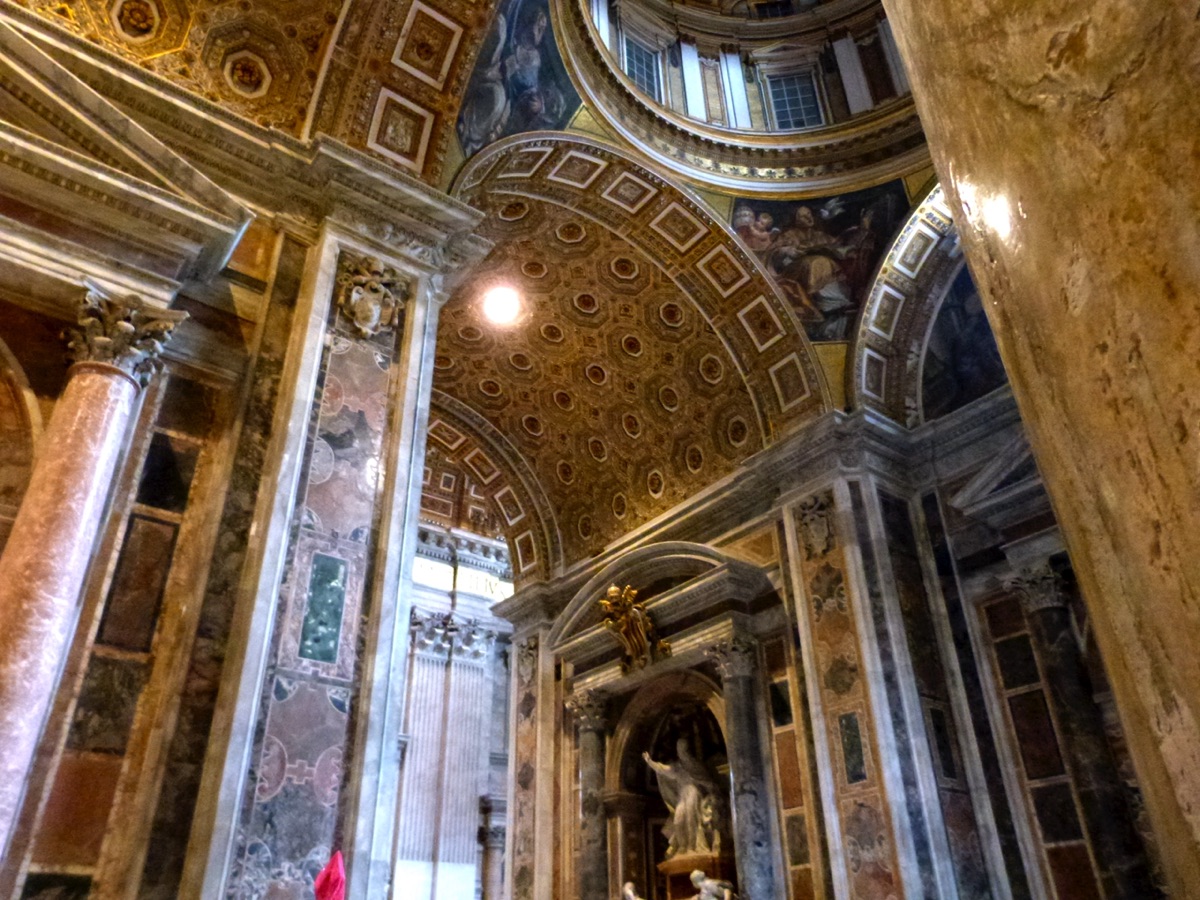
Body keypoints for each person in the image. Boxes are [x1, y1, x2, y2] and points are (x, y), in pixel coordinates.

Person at [642, 738, 719, 856]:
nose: (681, 752)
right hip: (682, 795)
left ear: (687, 750)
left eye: (683, 749)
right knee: (678, 820)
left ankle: (692, 846)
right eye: (679, 749)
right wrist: (649, 761)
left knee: (691, 820)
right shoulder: (677, 767)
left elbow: (707, 782)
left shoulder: (695, 765)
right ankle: (683, 845)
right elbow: (662, 769)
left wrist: (713, 796)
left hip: (693, 792)